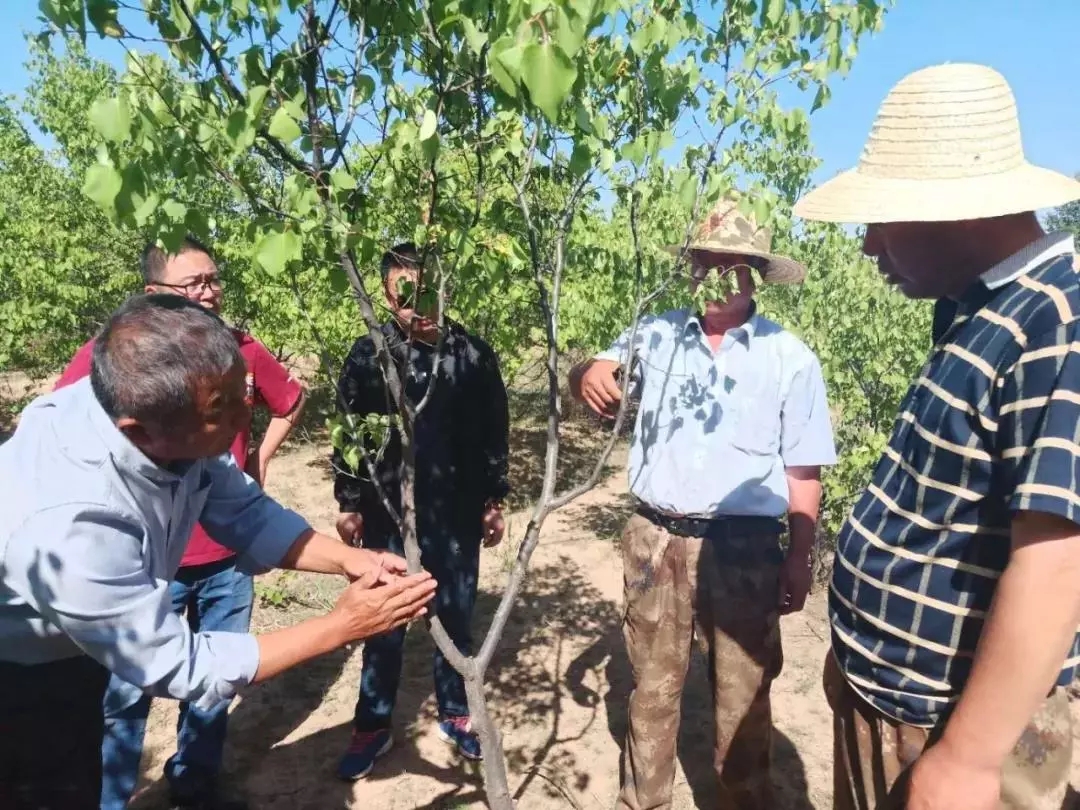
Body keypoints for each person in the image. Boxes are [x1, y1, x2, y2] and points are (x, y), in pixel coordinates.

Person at [0, 294, 437, 810]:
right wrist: (339, 627)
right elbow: (176, 664)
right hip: (21, 678)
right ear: (140, 431)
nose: (242, 416)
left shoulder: (164, 421)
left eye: (241, 394)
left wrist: (349, 559)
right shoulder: (72, 521)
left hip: (73, 646)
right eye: (221, 407)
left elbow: (242, 509)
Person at [792, 63, 1080, 810]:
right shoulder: (982, 310)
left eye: (880, 222)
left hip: (959, 729)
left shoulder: (1061, 318)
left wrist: (972, 759)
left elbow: (1058, 558)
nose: (866, 248)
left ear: (955, 211)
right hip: (902, 705)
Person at [569, 199, 837, 810]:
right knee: (652, 692)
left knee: (743, 700)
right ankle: (643, 802)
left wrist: (798, 558)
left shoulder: (788, 359)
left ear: (755, 276)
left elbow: (803, 468)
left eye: (733, 265)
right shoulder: (655, 334)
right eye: (706, 263)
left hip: (742, 552)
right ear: (691, 269)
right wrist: (589, 369)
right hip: (654, 539)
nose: (717, 277)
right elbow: (596, 369)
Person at [54, 237, 307, 810]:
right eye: (192, 284)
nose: (208, 293)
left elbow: (286, 407)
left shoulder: (239, 348)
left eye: (213, 280)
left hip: (227, 555)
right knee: (126, 694)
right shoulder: (114, 359)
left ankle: (194, 786)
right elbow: (59, 430)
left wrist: (259, 458)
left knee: (215, 689)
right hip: (145, 565)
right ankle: (111, 798)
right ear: (153, 295)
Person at [332, 243, 510, 779]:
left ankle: (455, 713)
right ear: (387, 296)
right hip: (387, 514)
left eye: (426, 288)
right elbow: (348, 434)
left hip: (456, 513)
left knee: (455, 615)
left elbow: (492, 432)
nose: (417, 303)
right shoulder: (369, 356)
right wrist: (349, 502)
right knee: (383, 621)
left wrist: (492, 498)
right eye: (403, 293)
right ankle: (373, 723)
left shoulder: (473, 355)